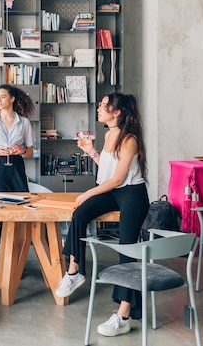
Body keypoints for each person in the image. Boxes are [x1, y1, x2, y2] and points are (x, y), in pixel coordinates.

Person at [55, 92, 149, 338]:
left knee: (126, 247)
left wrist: (88, 193)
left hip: (132, 193)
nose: (99, 109)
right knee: (80, 214)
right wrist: (91, 152)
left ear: (116, 112)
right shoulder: (108, 135)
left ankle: (124, 315)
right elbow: (109, 172)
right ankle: (75, 271)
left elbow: (119, 179)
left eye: (103, 106)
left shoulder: (129, 139)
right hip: (113, 190)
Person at [0, 84, 35, 261]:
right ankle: (0, 251)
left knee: (22, 207)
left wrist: (22, 151)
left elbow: (31, 153)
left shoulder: (24, 122)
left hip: (17, 167)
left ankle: (18, 247)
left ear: (12, 99)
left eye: (2, 97)